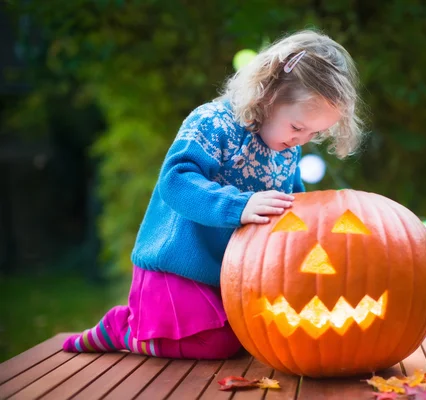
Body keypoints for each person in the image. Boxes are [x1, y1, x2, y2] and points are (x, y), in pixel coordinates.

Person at [63, 29, 366, 360]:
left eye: (314, 133)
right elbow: (176, 181)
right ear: (269, 96)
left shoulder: (287, 150)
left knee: (258, 338)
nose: (302, 140)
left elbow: (293, 212)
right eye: (297, 128)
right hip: (176, 267)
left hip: (230, 277)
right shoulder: (214, 122)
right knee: (216, 344)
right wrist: (239, 206)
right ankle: (125, 328)